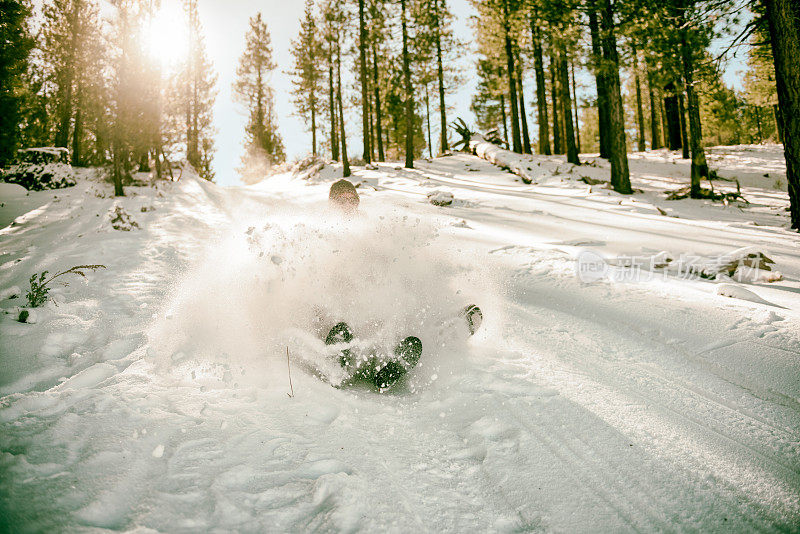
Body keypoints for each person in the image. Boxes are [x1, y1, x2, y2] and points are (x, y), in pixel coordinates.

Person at [322, 179, 482, 390]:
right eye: (341, 199)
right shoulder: (323, 229)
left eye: (351, 199)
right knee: (342, 321)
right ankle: (339, 358)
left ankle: (443, 331)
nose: (347, 204)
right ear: (332, 202)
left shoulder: (367, 226)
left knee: (405, 299)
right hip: (341, 297)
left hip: (371, 294)